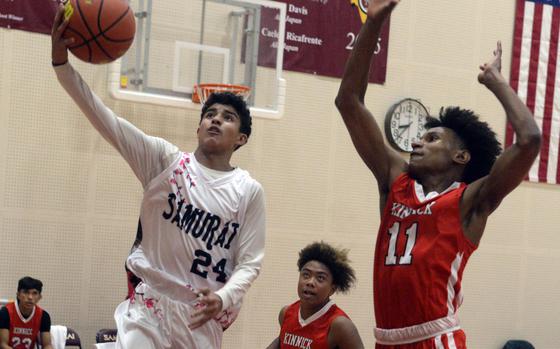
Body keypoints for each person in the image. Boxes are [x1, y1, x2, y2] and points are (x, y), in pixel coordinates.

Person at [50, 5, 266, 349]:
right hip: (149, 304)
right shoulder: (164, 161)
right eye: (209, 114)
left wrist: (224, 298)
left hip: (201, 312)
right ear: (197, 126)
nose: (215, 120)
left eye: (227, 118)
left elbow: (250, 261)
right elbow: (104, 117)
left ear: (241, 138)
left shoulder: (248, 191)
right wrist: (63, 67)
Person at [335, 1, 541, 348]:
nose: (417, 141)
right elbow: (349, 101)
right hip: (386, 340)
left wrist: (496, 82)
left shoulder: (470, 202)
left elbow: (530, 139)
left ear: (460, 156)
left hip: (436, 338)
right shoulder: (394, 181)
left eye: (431, 138)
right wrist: (375, 22)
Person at [266, 242, 365, 349]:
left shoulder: (340, 325)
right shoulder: (286, 313)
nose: (310, 282)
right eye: (306, 275)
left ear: (332, 289)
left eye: (320, 278)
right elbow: (282, 340)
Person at [0, 277, 53, 349]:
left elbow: (47, 345)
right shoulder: (5, 312)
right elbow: (2, 345)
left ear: (39, 297)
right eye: (26, 292)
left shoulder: (44, 316)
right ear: (18, 295)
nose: (30, 297)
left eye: (34, 293)